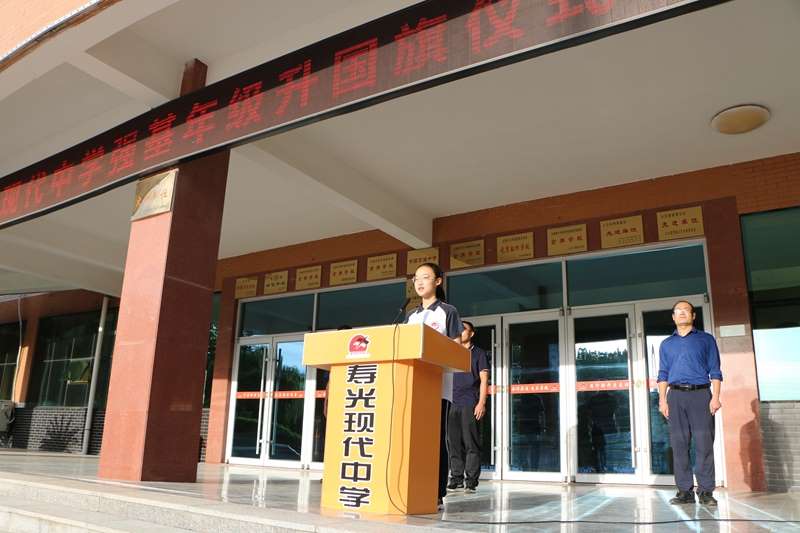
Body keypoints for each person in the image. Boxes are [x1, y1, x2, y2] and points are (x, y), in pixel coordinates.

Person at [404, 262, 463, 508]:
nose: (419, 282)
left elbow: (456, 348)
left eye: (425, 277)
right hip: (412, 387)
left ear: (438, 281)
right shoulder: (411, 315)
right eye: (416, 278)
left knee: (436, 440)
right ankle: (412, 486)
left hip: (438, 387)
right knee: (412, 438)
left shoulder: (448, 311)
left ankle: (437, 492)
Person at [657, 300, 722, 506]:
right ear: (673, 317)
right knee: (679, 444)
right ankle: (684, 491)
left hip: (701, 395)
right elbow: (663, 373)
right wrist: (662, 400)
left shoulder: (706, 339)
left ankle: (706, 491)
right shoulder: (666, 344)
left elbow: (715, 370)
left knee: (704, 444)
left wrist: (715, 397)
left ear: (693, 316)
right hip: (675, 396)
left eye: (686, 310)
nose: (682, 313)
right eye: (678, 311)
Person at [447, 320, 488, 493]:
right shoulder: (451, 352)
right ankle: (456, 478)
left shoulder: (478, 353)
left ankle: (471, 481)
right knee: (453, 442)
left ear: (471, 333)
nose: (460, 331)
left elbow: (484, 380)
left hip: (470, 402)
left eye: (463, 329)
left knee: (471, 442)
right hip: (451, 402)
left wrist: (481, 403)